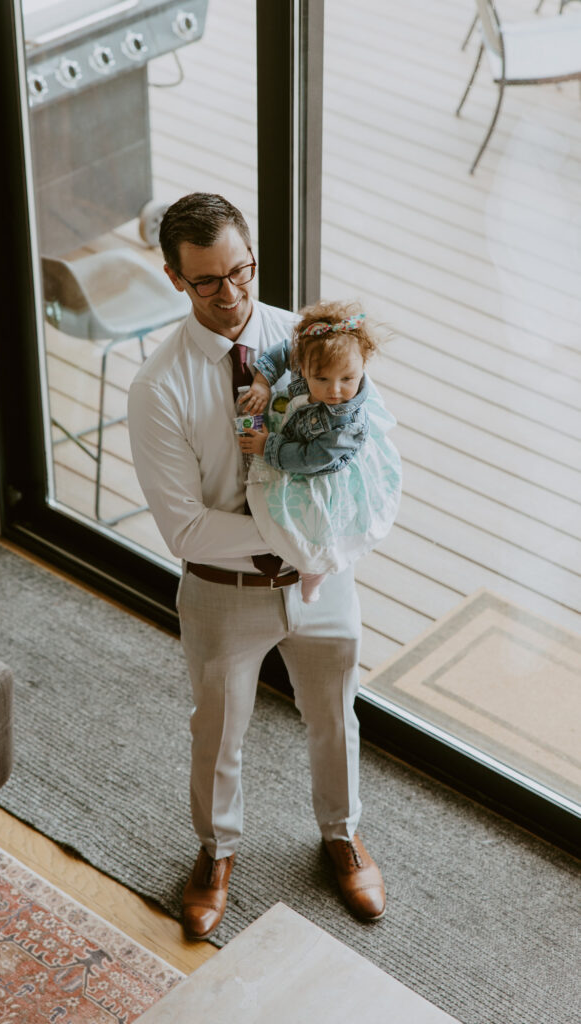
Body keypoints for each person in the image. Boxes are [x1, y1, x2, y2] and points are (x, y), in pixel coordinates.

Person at [128, 192, 387, 941]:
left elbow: (353, 426)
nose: (232, 293)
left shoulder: (305, 337)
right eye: (208, 280)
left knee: (335, 715)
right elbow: (185, 528)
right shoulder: (158, 388)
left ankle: (339, 833)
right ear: (175, 278)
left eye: (241, 270)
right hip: (224, 591)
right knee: (218, 732)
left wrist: (324, 535)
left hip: (321, 577)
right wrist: (287, 537)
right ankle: (216, 852)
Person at [237, 300, 401, 603]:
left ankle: (314, 572)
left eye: (347, 379)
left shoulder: (346, 423)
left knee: (315, 528)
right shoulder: (306, 355)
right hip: (298, 429)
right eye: (321, 379)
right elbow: (283, 351)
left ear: (363, 365)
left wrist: (268, 446)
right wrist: (262, 383)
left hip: (324, 466)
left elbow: (311, 458)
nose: (334, 390)